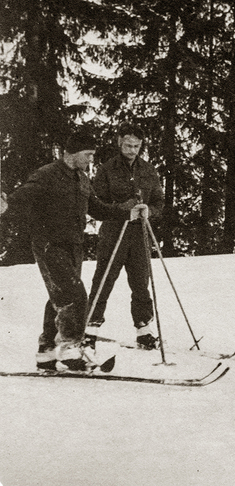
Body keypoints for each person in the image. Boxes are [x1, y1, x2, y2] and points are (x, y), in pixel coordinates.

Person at [1, 130, 147, 371]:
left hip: (73, 245)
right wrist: (6, 206)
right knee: (75, 296)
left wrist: (127, 214)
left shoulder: (81, 178)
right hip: (49, 244)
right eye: (88, 154)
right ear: (73, 152)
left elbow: (96, 208)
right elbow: (24, 196)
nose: (91, 159)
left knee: (60, 298)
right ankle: (70, 349)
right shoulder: (47, 174)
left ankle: (46, 352)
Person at [82, 125, 164, 350]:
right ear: (119, 142)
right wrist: (122, 208)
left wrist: (150, 211)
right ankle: (89, 331)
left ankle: (144, 331)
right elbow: (96, 203)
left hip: (139, 234)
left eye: (137, 146)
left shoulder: (148, 170)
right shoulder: (107, 169)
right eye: (128, 145)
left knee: (141, 283)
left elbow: (159, 202)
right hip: (114, 232)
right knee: (104, 281)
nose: (132, 150)